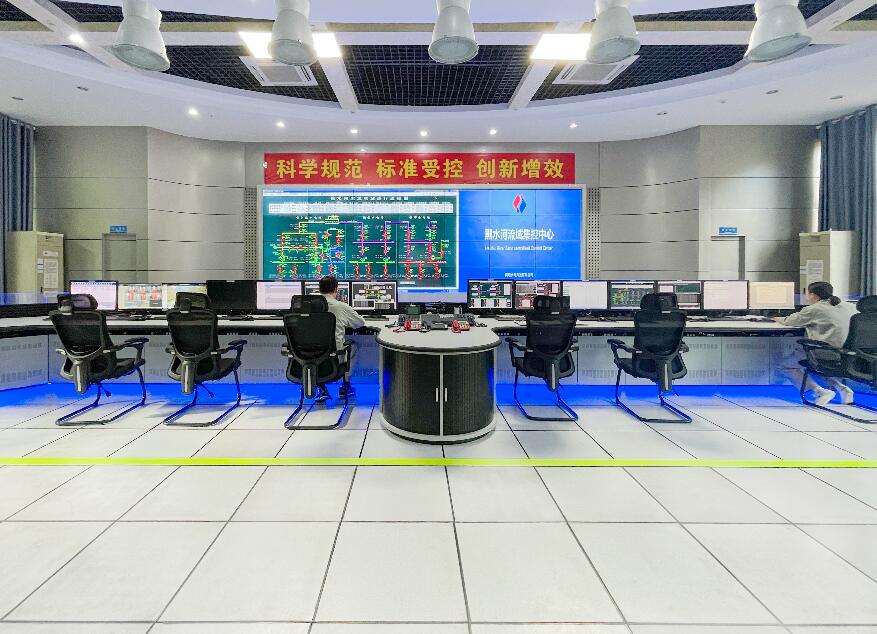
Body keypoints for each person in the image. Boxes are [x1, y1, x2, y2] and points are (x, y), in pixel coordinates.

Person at [774, 281, 858, 405]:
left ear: (813, 295)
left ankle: (819, 391)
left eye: (807, 293)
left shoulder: (814, 309)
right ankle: (843, 389)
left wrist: (775, 318)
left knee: (785, 365)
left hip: (825, 351)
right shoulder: (850, 306)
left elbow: (790, 321)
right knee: (820, 366)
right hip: (849, 354)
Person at [317, 275, 364, 400]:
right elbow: (360, 323)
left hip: (310, 356)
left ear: (319, 289)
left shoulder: (307, 306)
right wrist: (345, 321)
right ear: (336, 290)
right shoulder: (341, 306)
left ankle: (321, 388)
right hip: (335, 356)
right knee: (353, 347)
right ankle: (345, 386)